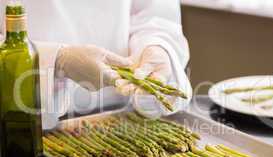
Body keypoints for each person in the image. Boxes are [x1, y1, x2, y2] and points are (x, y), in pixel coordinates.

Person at [0, 0, 192, 130]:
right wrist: (55, 59)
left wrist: (156, 47)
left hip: (124, 118)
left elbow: (153, 15)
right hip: (25, 124)